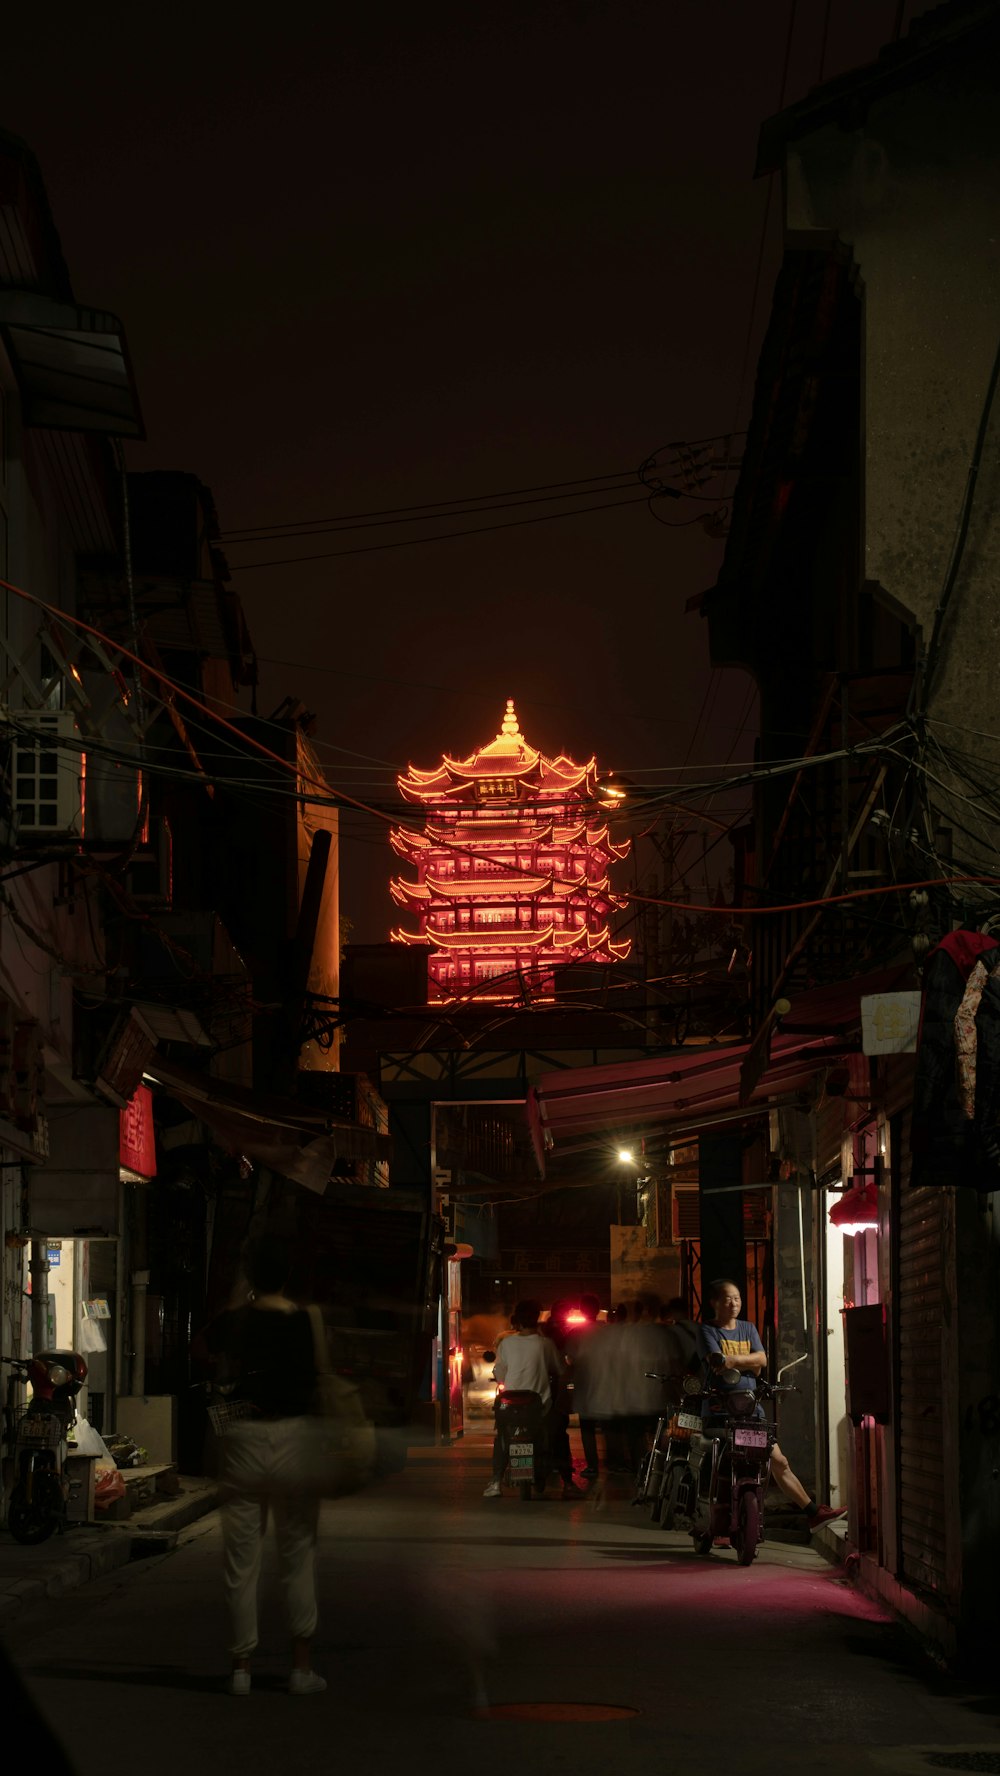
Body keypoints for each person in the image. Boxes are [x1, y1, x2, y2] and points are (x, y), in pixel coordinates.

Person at [201, 1237, 328, 1696]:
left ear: (250, 1276)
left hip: (244, 1440)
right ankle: (300, 1668)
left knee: (241, 1562)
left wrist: (240, 1298)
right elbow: (321, 1376)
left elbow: (207, 1346)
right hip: (295, 1439)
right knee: (298, 1556)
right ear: (289, 1276)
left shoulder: (234, 1321)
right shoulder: (307, 1320)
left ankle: (241, 1669)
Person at [696, 1279, 845, 1532]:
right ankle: (713, 1519)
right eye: (727, 1298)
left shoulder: (748, 1328)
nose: (734, 1304)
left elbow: (762, 1360)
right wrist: (743, 1362)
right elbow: (717, 1363)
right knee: (720, 1465)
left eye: (737, 1298)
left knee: (779, 1460)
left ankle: (813, 1513)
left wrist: (733, 1360)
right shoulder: (707, 1330)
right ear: (714, 1303)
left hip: (750, 1411)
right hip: (719, 1413)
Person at [483, 1299, 566, 1498]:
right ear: (537, 1320)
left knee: (502, 1437)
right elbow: (560, 1369)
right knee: (558, 1435)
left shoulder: (507, 1343)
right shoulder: (545, 1344)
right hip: (540, 1407)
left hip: (510, 1406)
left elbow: (500, 1371)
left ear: (516, 1321)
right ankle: (569, 1482)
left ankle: (495, 1481)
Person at [564, 1292, 603, 1479]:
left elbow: (569, 1359)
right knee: (610, 1426)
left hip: (585, 1384)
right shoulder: (606, 1331)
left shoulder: (575, 1333)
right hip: (606, 1383)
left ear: (581, 1310)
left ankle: (593, 1465)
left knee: (587, 1427)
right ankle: (617, 1464)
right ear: (597, 1310)